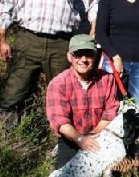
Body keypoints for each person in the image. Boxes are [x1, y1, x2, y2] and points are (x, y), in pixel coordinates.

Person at [46, 34, 119, 169]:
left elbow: (111, 112)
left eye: (89, 54)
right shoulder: (58, 83)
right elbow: (59, 121)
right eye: (78, 54)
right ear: (69, 56)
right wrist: (80, 139)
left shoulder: (107, 79)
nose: (84, 60)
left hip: (100, 138)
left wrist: (93, 136)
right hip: (71, 140)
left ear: (95, 56)